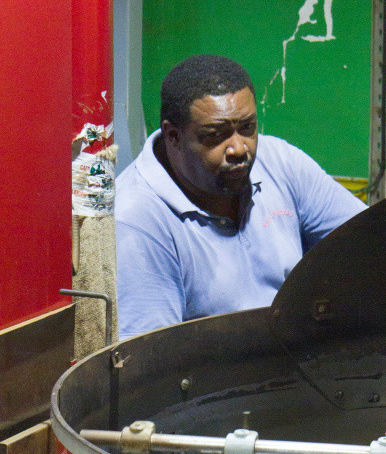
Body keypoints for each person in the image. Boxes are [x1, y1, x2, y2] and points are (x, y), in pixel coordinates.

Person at [115, 54, 365, 340]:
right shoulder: (138, 220)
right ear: (173, 136)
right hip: (212, 366)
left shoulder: (279, 162)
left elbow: (371, 242)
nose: (239, 149)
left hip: (295, 351)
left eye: (247, 128)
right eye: (215, 134)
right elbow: (154, 355)